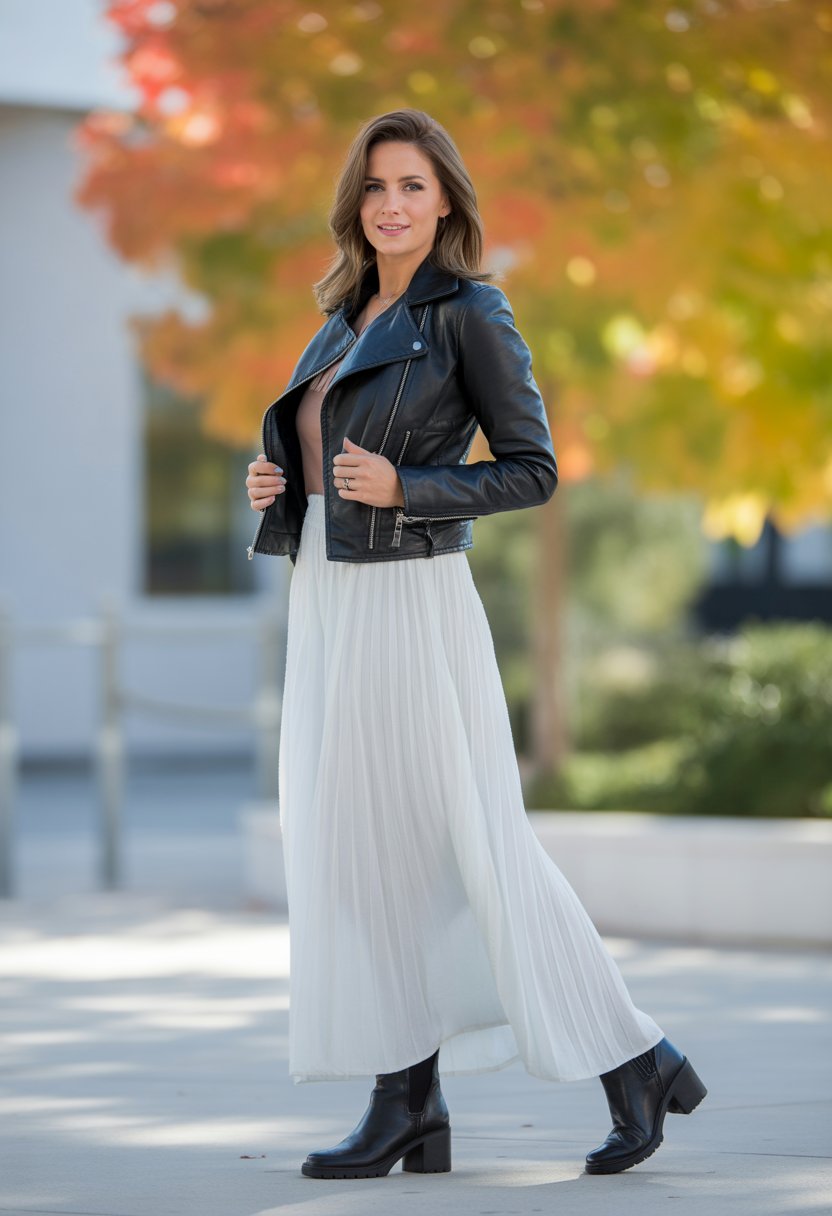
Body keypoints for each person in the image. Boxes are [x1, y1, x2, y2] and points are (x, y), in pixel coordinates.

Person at [244, 108, 706, 1181]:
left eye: (412, 185)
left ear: (445, 197)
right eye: (374, 186)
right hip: (329, 599)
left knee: (475, 847)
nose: (391, 205)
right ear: (354, 204)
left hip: (411, 601)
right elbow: (325, 459)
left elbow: (532, 468)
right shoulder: (342, 317)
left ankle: (635, 1058)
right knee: (364, 854)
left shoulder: (470, 312)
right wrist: (279, 485)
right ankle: (410, 1103)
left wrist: (408, 489)